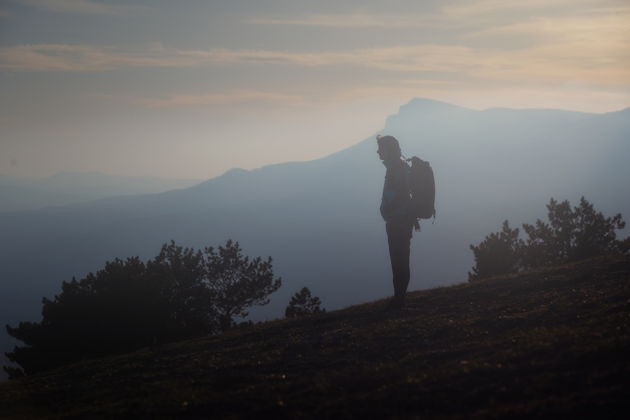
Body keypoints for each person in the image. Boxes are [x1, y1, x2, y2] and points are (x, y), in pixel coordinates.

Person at [377, 135, 414, 309]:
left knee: (399, 261)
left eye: (381, 149)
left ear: (388, 150)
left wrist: (389, 210)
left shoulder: (397, 169)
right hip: (400, 221)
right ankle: (399, 297)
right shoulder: (398, 167)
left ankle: (399, 300)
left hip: (398, 221)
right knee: (400, 260)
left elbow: (402, 194)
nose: (378, 153)